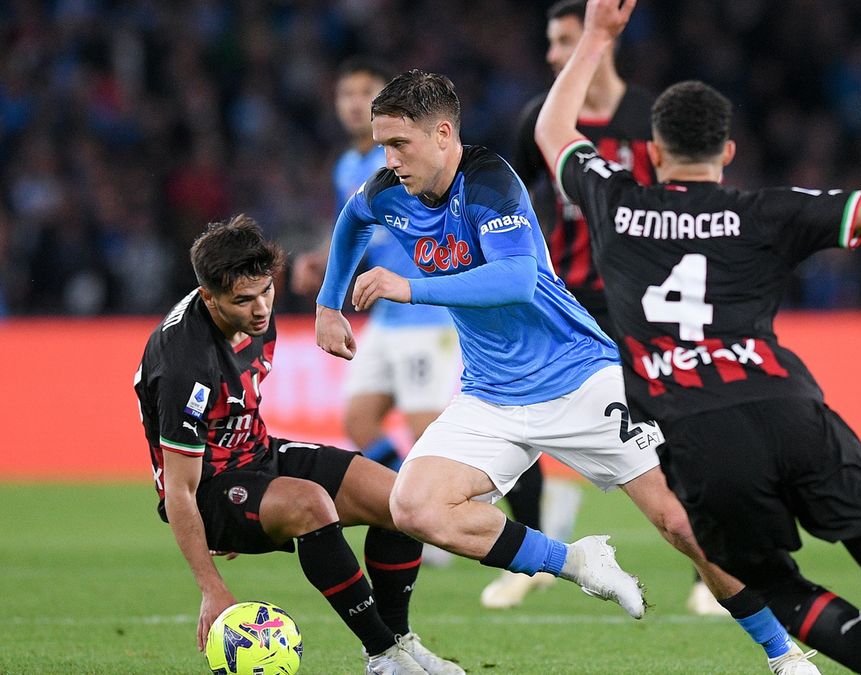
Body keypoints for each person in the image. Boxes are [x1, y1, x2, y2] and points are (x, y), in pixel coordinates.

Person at [533, 1, 861, 674]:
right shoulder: (766, 211)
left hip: (699, 430)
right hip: (789, 406)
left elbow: (555, 129)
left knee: (772, 583)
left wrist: (596, 38)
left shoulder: (617, 202)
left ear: (654, 152)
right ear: (726, 152)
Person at [315, 68, 819, 674]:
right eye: (382, 144)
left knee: (682, 524)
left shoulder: (491, 182)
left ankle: (783, 653)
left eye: (399, 144)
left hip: (581, 376)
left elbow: (517, 278)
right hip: (492, 394)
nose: (387, 158)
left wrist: (411, 287)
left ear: (443, 134)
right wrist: (327, 302)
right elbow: (351, 221)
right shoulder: (388, 191)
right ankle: (576, 561)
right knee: (414, 506)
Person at [134, 215, 465, 675]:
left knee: (400, 500)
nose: (260, 309)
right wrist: (212, 585)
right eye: (243, 300)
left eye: (266, 291)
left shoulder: (252, 308)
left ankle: (399, 643)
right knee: (311, 504)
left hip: (259, 455)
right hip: (210, 490)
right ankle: (383, 656)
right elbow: (181, 489)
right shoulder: (184, 364)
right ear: (208, 297)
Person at [489, 0, 725, 615]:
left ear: (599, 42)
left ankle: (711, 573)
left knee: (671, 428)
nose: (552, 55)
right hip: (561, 305)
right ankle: (533, 559)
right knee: (522, 420)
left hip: (640, 303)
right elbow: (499, 201)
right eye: (552, 42)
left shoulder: (651, 117)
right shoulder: (538, 120)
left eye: (564, 40)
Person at [293, 58, 459, 568]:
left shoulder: (407, 157)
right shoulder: (348, 166)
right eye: (345, 94)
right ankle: (413, 509)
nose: (352, 103)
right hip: (383, 313)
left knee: (423, 422)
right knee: (359, 420)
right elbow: (360, 224)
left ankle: (443, 514)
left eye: (363, 92)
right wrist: (326, 261)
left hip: (425, 307)